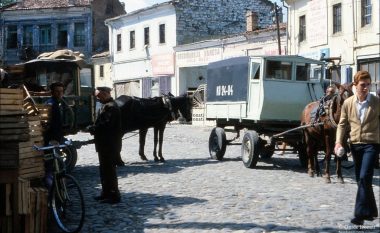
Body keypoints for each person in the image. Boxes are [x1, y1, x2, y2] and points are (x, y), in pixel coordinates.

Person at [335, 71, 380, 226]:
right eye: (363, 85)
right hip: (355, 145)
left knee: (363, 177)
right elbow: (342, 124)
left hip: (372, 144)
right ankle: (371, 211)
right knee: (362, 180)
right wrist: (338, 142)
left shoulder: (376, 102)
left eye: (368, 84)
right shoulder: (348, 103)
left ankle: (359, 214)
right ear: (355, 85)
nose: (366, 88)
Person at [87, 87, 122, 204]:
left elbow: (106, 125)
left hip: (109, 144)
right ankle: (106, 193)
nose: (98, 98)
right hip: (104, 144)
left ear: (105, 94)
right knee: (104, 169)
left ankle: (114, 195)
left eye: (99, 96)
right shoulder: (107, 105)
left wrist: (93, 128)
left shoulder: (111, 106)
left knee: (109, 170)